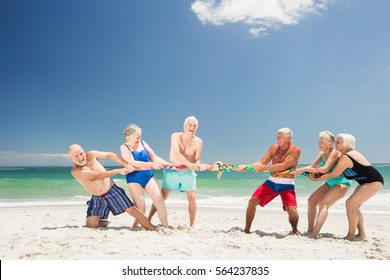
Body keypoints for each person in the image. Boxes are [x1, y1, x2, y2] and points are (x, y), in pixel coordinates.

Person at [310, 133, 383, 241]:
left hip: (373, 181)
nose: (336, 144)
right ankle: (361, 234)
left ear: (347, 144)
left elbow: (333, 174)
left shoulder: (347, 156)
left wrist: (317, 179)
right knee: (355, 207)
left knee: (350, 204)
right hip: (365, 183)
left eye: (338, 142)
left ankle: (350, 235)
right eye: (336, 142)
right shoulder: (345, 155)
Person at [68, 144, 155, 231]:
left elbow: (110, 155)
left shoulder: (91, 154)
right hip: (97, 198)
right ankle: (103, 222)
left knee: (133, 211)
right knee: (91, 226)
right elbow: (98, 175)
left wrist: (126, 164)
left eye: (81, 153)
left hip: (112, 191)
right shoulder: (76, 171)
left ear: (84, 151)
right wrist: (118, 171)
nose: (80, 157)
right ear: (71, 159)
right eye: (76, 156)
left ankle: (153, 229)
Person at [237, 128, 301, 235]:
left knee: (292, 210)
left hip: (287, 183)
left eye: (280, 137)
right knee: (252, 201)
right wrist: (246, 167)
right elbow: (262, 162)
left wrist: (263, 168)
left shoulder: (295, 150)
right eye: (277, 136)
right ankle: (247, 230)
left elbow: (283, 166)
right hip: (271, 182)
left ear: (288, 138)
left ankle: (294, 229)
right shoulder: (273, 148)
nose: (277, 139)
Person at [148, 116, 206, 228]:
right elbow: (176, 153)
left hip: (188, 173)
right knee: (162, 196)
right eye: (190, 124)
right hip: (172, 172)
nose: (192, 127)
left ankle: (192, 224)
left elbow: (197, 158)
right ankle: (149, 218)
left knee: (192, 198)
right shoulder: (175, 136)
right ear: (184, 126)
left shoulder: (199, 142)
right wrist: (190, 164)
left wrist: (198, 165)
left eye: (195, 126)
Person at [293, 131, 351, 238]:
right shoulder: (322, 154)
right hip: (329, 182)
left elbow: (325, 169)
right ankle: (310, 230)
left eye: (322, 142)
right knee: (311, 201)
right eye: (319, 142)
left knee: (323, 204)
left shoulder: (335, 153)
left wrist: (306, 169)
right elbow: (312, 167)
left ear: (330, 143)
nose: (319, 145)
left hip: (342, 183)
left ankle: (315, 233)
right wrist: (302, 172)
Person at [120, 124, 169, 228]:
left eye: (140, 136)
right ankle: (135, 226)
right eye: (137, 137)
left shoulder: (143, 143)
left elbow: (154, 158)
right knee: (141, 208)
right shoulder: (124, 147)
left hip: (148, 176)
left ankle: (166, 227)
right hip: (134, 179)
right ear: (129, 137)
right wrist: (151, 164)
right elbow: (132, 162)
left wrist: (168, 165)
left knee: (159, 200)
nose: (139, 139)